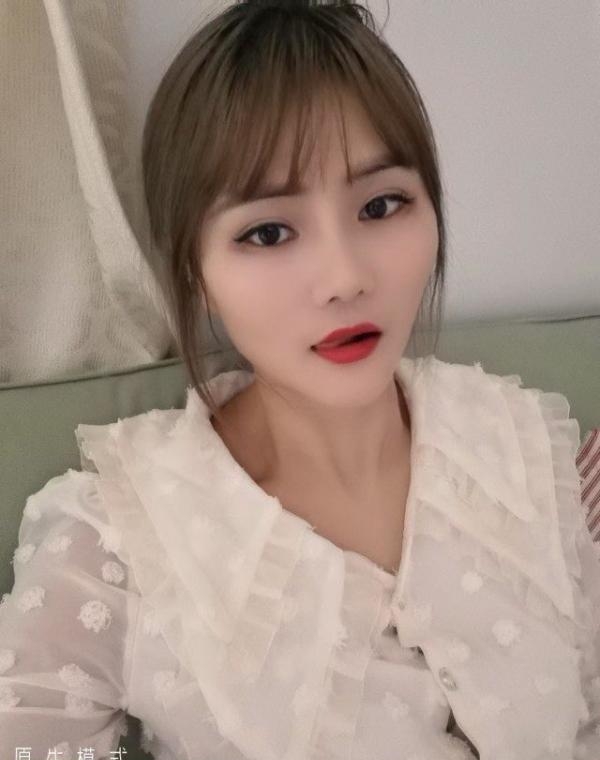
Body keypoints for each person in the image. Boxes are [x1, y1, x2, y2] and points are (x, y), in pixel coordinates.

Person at [1, 1, 599, 758]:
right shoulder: (114, 540)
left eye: (381, 205)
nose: (345, 278)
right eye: (268, 232)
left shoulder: (533, 453)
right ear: (193, 269)